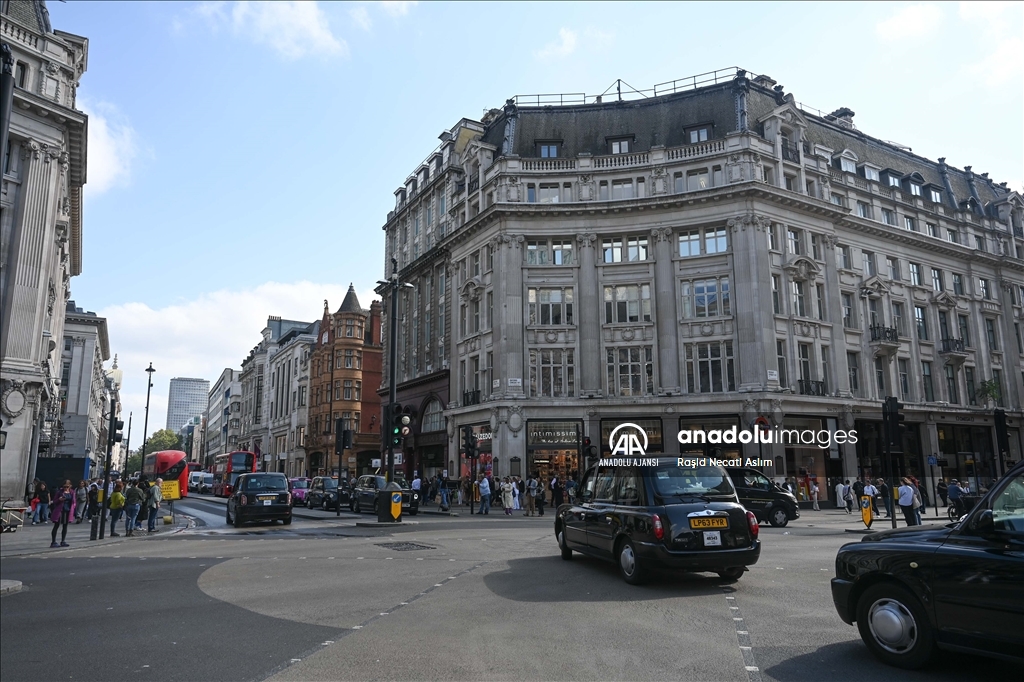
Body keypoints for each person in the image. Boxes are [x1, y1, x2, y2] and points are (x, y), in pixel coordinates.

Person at [49, 481, 76, 548]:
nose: (66, 488)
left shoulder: (72, 492)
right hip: (59, 511)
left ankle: (63, 541)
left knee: (65, 526)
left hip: (67, 511)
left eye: (67, 487)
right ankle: (53, 542)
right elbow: (54, 501)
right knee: (56, 525)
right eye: (64, 487)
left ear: (70, 486)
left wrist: (74, 509)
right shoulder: (59, 492)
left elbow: (74, 502)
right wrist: (59, 499)